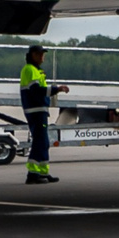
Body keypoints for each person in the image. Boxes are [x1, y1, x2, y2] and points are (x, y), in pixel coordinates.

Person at [18, 44, 69, 185]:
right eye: (40, 54)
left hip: (39, 111)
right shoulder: (30, 70)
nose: (42, 57)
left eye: (43, 54)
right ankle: (33, 174)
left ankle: (42, 172)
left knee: (44, 142)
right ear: (33, 55)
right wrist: (56, 89)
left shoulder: (36, 70)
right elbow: (37, 90)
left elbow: (39, 90)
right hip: (35, 111)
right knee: (40, 142)